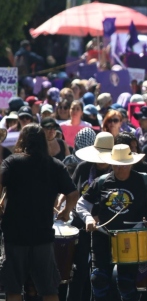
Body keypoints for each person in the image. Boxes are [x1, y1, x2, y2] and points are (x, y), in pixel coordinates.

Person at [76, 144, 147, 301]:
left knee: (126, 282)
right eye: (117, 165)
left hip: (131, 237)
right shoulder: (101, 182)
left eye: (124, 166)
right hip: (103, 236)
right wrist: (88, 218)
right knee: (98, 279)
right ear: (112, 164)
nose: (120, 169)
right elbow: (82, 203)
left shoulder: (142, 180)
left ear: (131, 164)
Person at [0, 124, 79, 301]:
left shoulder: (12, 162)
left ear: (22, 140)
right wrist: (66, 212)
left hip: (15, 236)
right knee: (49, 290)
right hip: (42, 237)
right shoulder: (55, 165)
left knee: (13, 290)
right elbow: (73, 194)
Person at [65, 132, 113, 301]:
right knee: (78, 273)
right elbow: (73, 193)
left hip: (106, 230)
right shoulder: (83, 168)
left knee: (102, 275)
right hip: (82, 227)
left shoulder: (117, 171)